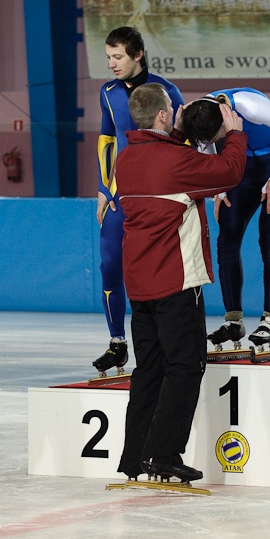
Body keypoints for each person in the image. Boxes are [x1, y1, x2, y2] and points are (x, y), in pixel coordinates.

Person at [115, 83, 247, 482]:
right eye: (171, 109)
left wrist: (179, 133)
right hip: (175, 282)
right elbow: (230, 171)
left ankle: (136, 458)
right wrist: (235, 133)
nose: (176, 112)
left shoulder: (127, 159)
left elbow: (167, 156)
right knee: (186, 367)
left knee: (149, 370)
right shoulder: (176, 162)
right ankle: (164, 454)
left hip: (138, 285)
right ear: (160, 116)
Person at [179, 89, 270, 353]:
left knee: (269, 238)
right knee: (227, 235)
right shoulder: (200, 111)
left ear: (224, 123)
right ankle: (233, 320)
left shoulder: (251, 107)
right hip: (243, 167)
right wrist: (221, 188)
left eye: (215, 136)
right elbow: (206, 147)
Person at [93, 26, 185, 377]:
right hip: (120, 195)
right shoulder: (108, 92)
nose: (112, 64)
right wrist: (104, 188)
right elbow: (106, 138)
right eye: (108, 58)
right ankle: (117, 343)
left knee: (157, 270)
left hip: (156, 194)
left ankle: (163, 339)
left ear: (137, 55)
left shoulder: (167, 91)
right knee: (109, 265)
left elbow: (181, 139)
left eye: (118, 57)